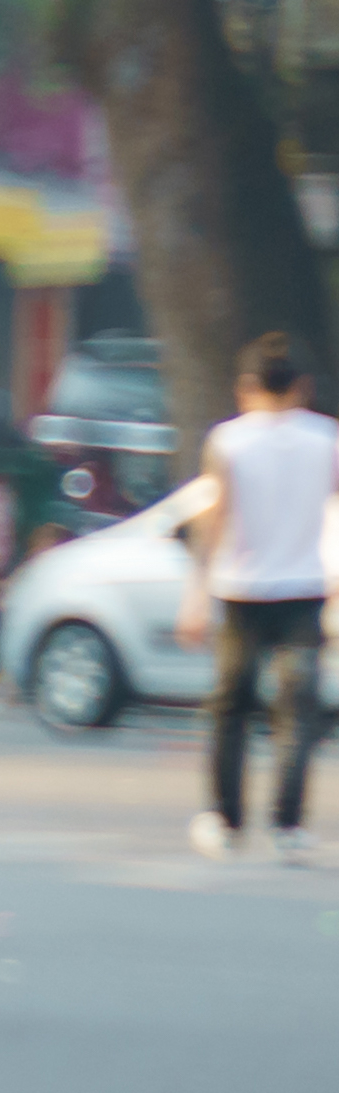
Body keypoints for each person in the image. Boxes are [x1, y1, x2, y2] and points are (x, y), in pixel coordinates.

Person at [173, 332, 338, 858]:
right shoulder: (327, 440)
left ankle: (226, 821)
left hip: (240, 590)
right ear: (303, 387)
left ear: (246, 387)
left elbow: (214, 519)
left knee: (231, 709)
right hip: (304, 591)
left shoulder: (228, 441)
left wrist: (196, 595)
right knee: (298, 712)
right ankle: (288, 826)